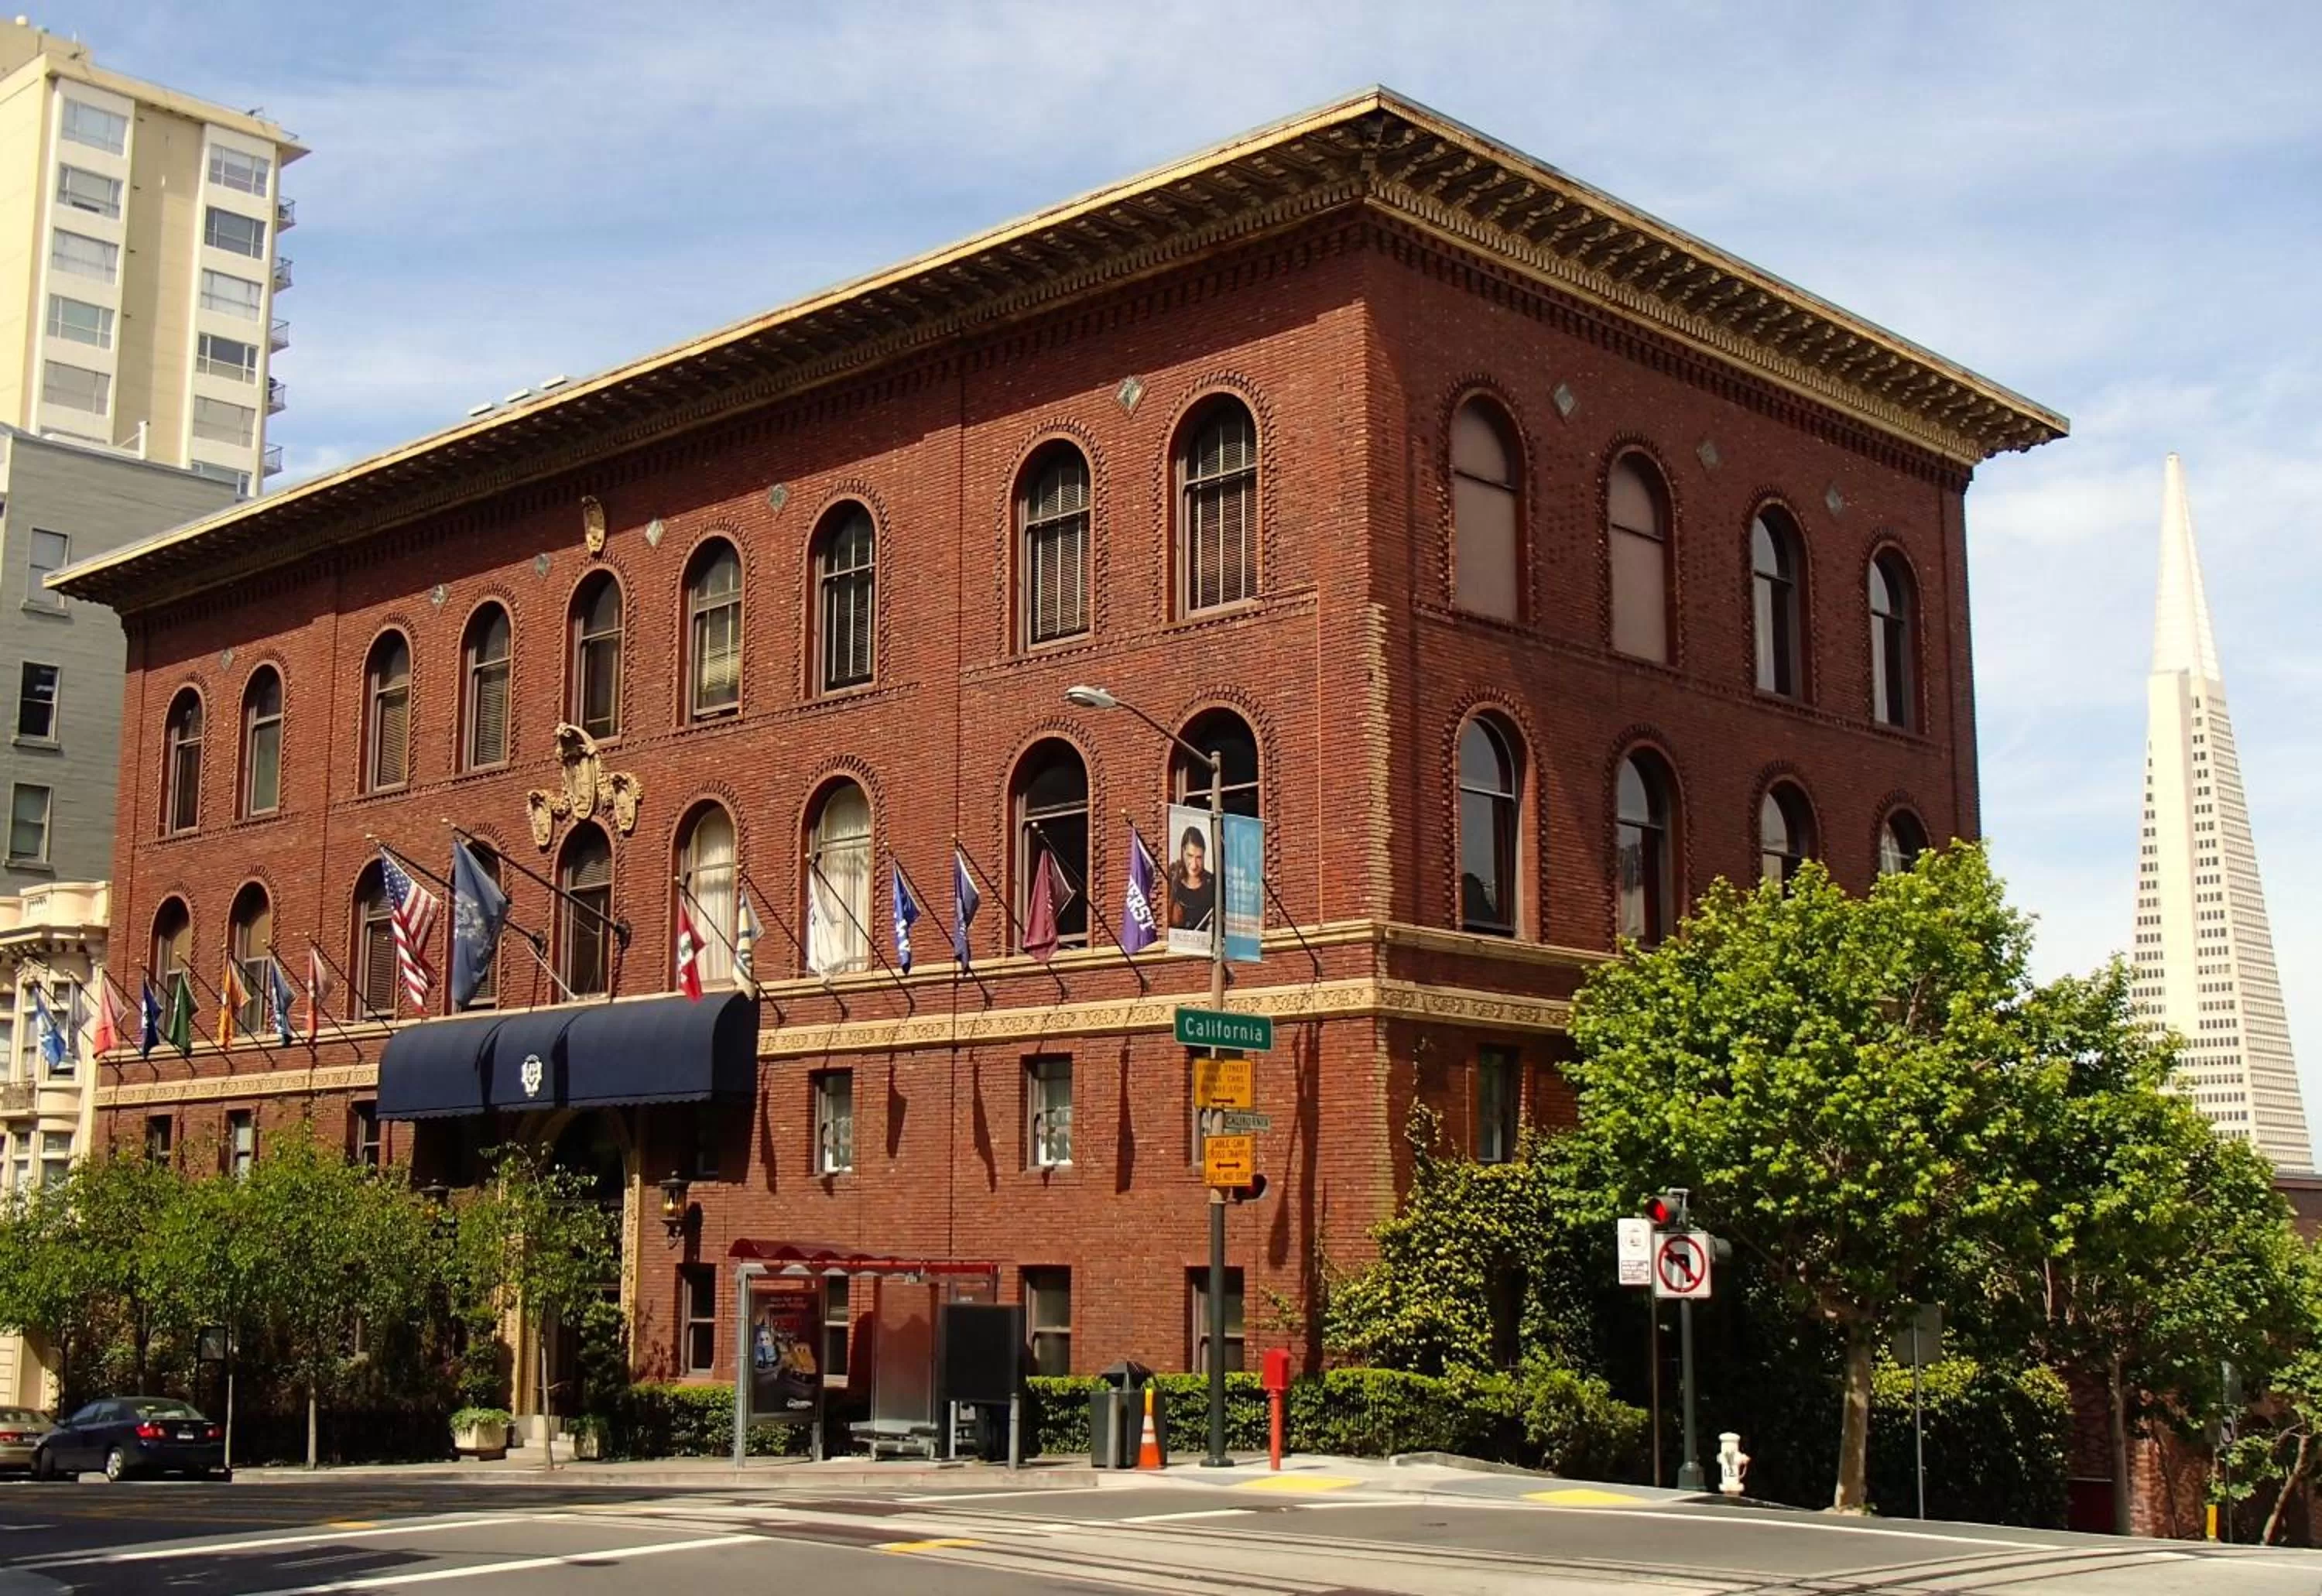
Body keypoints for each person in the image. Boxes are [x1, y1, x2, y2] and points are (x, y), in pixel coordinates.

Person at [1167, 824, 1216, 933]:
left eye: (1199, 858)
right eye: (1189, 856)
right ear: (1183, 851)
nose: (1194, 865)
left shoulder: (1212, 882)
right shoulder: (1173, 879)